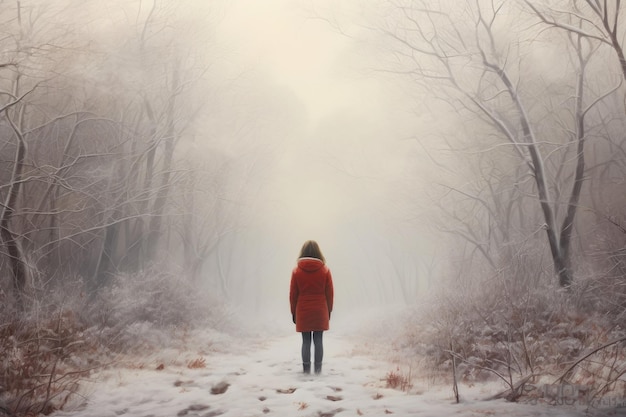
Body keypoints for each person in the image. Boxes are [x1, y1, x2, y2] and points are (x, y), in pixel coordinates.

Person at [289, 240, 334, 375]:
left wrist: (293, 313)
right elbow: (330, 294)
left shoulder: (296, 271)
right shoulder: (325, 270)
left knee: (306, 341)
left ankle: (306, 371)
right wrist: (329, 312)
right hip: (320, 310)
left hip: (303, 310)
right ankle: (318, 371)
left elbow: (293, 295)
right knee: (319, 340)